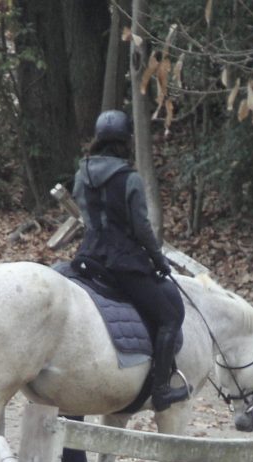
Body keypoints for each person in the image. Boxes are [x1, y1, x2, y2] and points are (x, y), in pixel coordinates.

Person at [72, 109, 190, 412]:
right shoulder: (130, 178)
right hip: (122, 262)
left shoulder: (81, 174)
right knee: (169, 316)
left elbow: (86, 216)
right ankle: (161, 389)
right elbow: (141, 228)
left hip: (88, 256)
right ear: (126, 141)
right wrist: (158, 260)